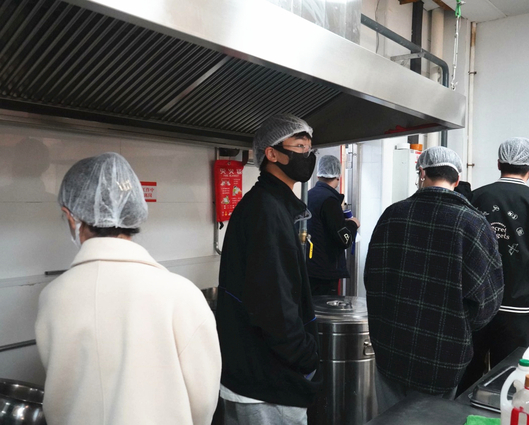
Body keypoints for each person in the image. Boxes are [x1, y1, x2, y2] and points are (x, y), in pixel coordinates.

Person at [35, 152, 221, 425]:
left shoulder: (53, 297)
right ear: (134, 213)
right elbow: (203, 402)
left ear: (70, 215)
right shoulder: (181, 294)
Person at [364, 146, 504, 413]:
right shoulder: (473, 224)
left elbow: (372, 279)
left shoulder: (392, 215)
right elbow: (488, 301)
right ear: (458, 179)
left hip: (390, 346)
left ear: (422, 172)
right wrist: (459, 326)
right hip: (444, 354)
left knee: (390, 419)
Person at [216, 114, 321, 425]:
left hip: (261, 377)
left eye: (309, 148)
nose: (307, 155)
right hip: (266, 384)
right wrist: (304, 357)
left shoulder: (270, 204)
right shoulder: (266, 210)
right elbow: (273, 302)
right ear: (272, 154)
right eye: (299, 146)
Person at [458, 137, 529, 394]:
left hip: (473, 307)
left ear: (498, 163)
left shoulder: (473, 198)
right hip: (516, 311)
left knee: (466, 378)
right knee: (508, 381)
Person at [306, 155, 359, 295]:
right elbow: (344, 239)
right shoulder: (330, 200)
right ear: (338, 176)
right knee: (325, 307)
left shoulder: (307, 196)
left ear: (318, 175)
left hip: (308, 268)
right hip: (325, 273)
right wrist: (353, 224)